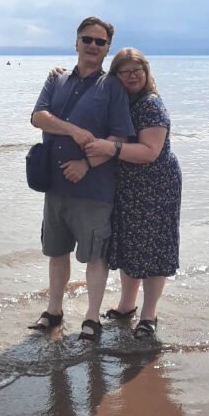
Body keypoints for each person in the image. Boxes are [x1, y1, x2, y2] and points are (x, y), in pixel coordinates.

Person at [29, 18, 135, 342]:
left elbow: (121, 138)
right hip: (54, 185)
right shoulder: (57, 79)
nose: (92, 45)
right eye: (86, 39)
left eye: (100, 42)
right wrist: (74, 130)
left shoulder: (112, 87)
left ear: (107, 49)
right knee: (56, 252)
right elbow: (38, 117)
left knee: (95, 255)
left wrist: (86, 164)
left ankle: (91, 318)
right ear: (75, 43)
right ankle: (54, 311)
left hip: (94, 188)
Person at [84, 48, 182, 340]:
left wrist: (110, 148)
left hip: (157, 185)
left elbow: (150, 152)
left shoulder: (151, 104)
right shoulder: (121, 100)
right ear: (115, 76)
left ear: (146, 72)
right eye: (124, 72)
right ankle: (127, 306)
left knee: (154, 248)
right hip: (128, 184)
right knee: (130, 246)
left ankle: (148, 315)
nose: (132, 76)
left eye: (137, 70)